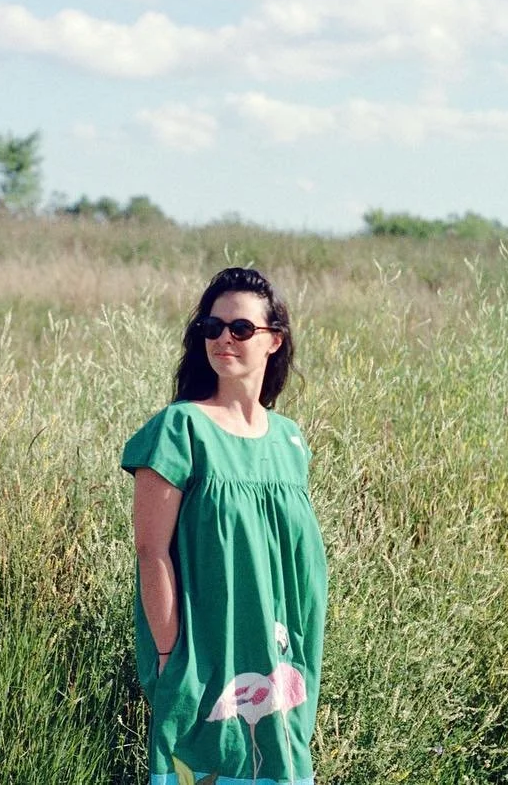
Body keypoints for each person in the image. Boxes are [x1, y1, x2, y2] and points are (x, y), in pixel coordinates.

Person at [121, 267, 328, 785]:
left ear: (273, 341)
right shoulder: (179, 429)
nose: (222, 339)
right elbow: (152, 553)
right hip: (204, 658)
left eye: (240, 329)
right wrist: (171, 658)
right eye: (211, 328)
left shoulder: (289, 441)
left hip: (283, 658)